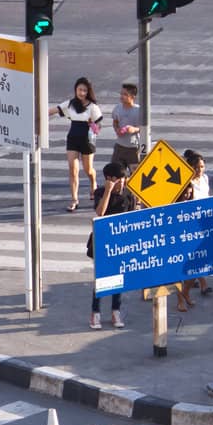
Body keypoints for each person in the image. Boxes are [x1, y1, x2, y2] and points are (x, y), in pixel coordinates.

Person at [90, 162, 132, 330]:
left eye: (123, 179)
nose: (121, 182)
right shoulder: (100, 192)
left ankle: (116, 311)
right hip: (102, 241)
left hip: (121, 243)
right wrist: (108, 191)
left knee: (118, 279)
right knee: (101, 278)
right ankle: (95, 313)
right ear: (109, 179)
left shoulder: (128, 194)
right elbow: (100, 212)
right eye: (117, 179)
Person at [53, 77, 103, 212]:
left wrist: (91, 124)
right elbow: (52, 110)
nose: (81, 93)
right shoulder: (69, 104)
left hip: (87, 140)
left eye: (84, 90)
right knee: (73, 170)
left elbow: (98, 129)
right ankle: (74, 199)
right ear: (75, 90)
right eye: (80, 90)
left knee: (88, 170)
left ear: (88, 92)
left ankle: (93, 182)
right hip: (73, 139)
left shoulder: (93, 107)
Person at [176, 150, 213, 310]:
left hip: (203, 225)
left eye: (202, 166)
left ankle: (186, 291)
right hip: (187, 227)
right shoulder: (186, 184)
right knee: (182, 265)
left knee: (198, 263)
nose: (200, 170)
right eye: (197, 167)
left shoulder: (205, 179)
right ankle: (180, 299)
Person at [110, 82, 144, 173]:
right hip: (119, 147)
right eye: (121, 94)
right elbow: (115, 122)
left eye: (125, 94)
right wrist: (117, 129)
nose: (122, 96)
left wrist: (134, 129)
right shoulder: (117, 108)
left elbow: (144, 128)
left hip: (133, 149)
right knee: (115, 173)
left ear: (133, 97)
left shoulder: (139, 110)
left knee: (135, 175)